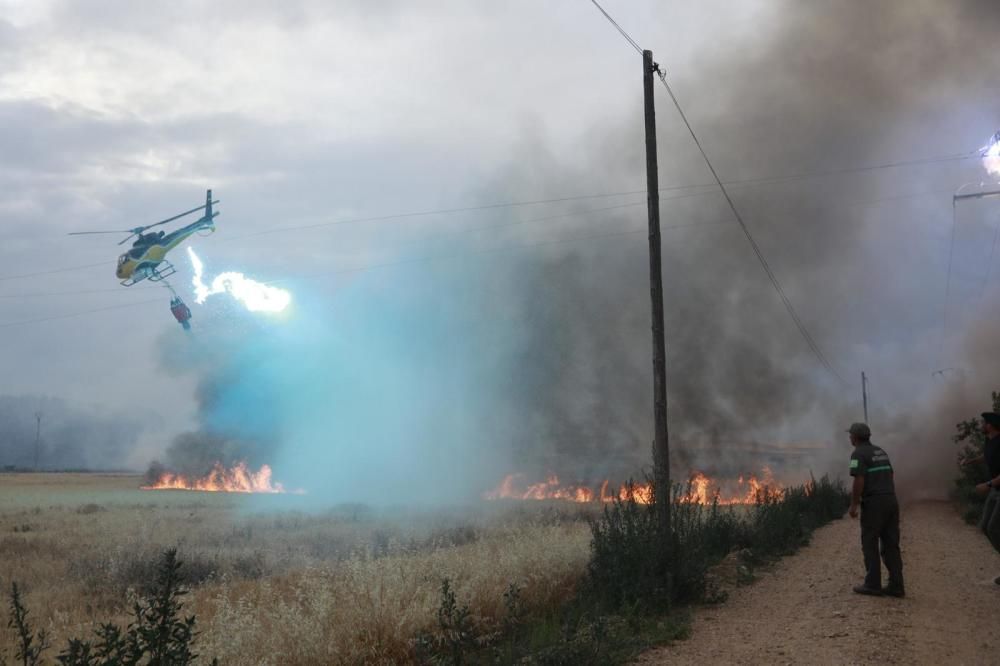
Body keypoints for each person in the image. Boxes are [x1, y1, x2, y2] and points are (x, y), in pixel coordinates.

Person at [847, 422, 904, 597]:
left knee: (869, 542)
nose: (850, 437)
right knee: (891, 544)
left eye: (850, 435)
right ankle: (897, 586)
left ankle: (872, 584)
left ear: (855, 437)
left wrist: (854, 504)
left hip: (874, 503)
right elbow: (891, 474)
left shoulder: (857, 454)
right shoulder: (881, 451)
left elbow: (859, 480)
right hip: (890, 500)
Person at [966, 411, 1000, 585]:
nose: (981, 424)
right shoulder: (990, 440)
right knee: (985, 527)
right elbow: (986, 456)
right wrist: (972, 461)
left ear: (991, 425)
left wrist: (987, 485)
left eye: (984, 422)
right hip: (996, 490)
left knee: (993, 527)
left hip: (996, 489)